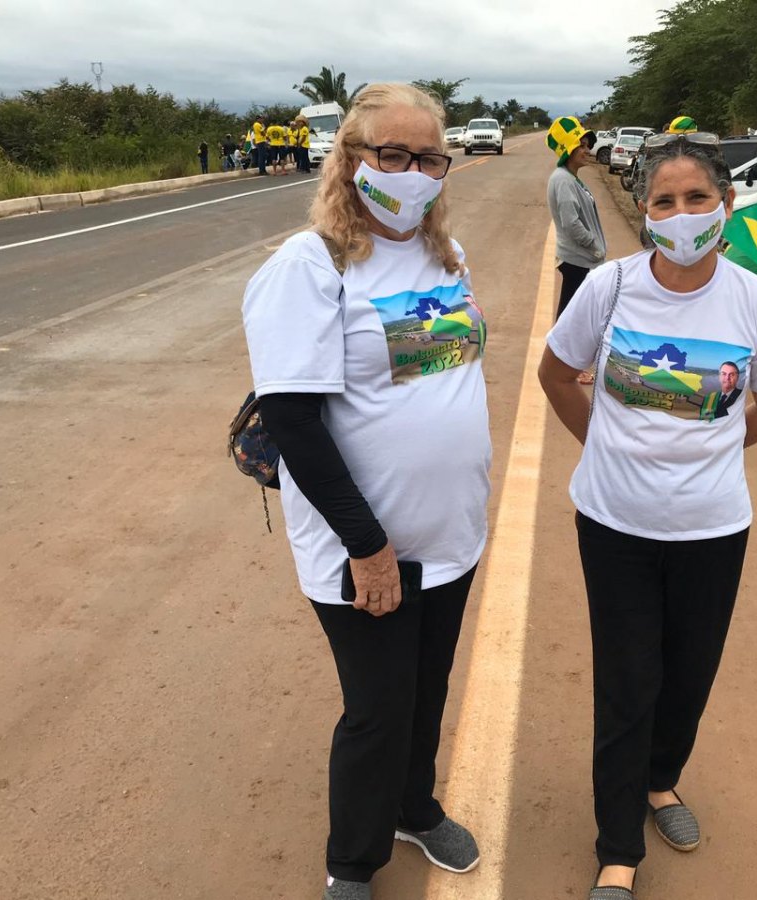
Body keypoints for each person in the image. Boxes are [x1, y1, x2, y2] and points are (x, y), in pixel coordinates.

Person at [538, 131, 757, 900]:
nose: (682, 213)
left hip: (713, 529)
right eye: (665, 200)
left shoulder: (755, 299)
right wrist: (609, 445)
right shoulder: (612, 286)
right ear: (646, 209)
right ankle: (618, 850)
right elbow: (557, 375)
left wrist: (719, 446)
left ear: (726, 205)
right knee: (630, 682)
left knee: (689, 677)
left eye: (698, 199)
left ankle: (663, 784)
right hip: (615, 525)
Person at [241, 82, 489, 900]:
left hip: (450, 534)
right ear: (351, 161)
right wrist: (368, 546)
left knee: (426, 692)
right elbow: (295, 421)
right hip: (365, 545)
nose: (413, 172)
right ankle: (352, 862)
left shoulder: (444, 258)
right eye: (393, 154)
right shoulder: (308, 267)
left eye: (428, 157)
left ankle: (414, 808)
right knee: (377, 711)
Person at [546, 115, 607, 322]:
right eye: (581, 146)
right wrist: (594, 247)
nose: (587, 151)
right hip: (577, 260)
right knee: (568, 320)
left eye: (587, 146)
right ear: (567, 149)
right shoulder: (563, 180)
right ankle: (556, 354)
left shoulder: (571, 178)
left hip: (581, 259)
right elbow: (571, 223)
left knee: (574, 316)